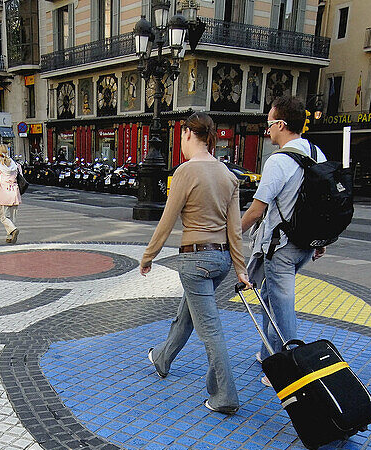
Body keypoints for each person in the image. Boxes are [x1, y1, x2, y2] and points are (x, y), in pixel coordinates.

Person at [140, 112, 251, 415]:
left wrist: (148, 256)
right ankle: (162, 358)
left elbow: (166, 221)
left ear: (188, 133)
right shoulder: (229, 175)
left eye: (181, 134)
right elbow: (235, 230)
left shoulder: (186, 172)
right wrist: (240, 268)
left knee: (210, 330)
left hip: (194, 259)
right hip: (221, 261)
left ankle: (225, 395)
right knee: (188, 315)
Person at [239, 94, 328, 387]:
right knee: (268, 296)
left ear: (280, 124)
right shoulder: (317, 153)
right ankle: (268, 353)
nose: (267, 130)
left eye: (269, 123)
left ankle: (290, 368)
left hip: (282, 248)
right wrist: (320, 239)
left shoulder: (279, 161)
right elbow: (322, 202)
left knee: (281, 306)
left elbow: (257, 209)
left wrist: (231, 233)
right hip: (306, 244)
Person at [0, 144, 22, 242]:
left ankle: (13, 230)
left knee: (3, 217)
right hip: (14, 193)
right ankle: (9, 236)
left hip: (3, 193)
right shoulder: (15, 165)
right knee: (12, 217)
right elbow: (20, 177)